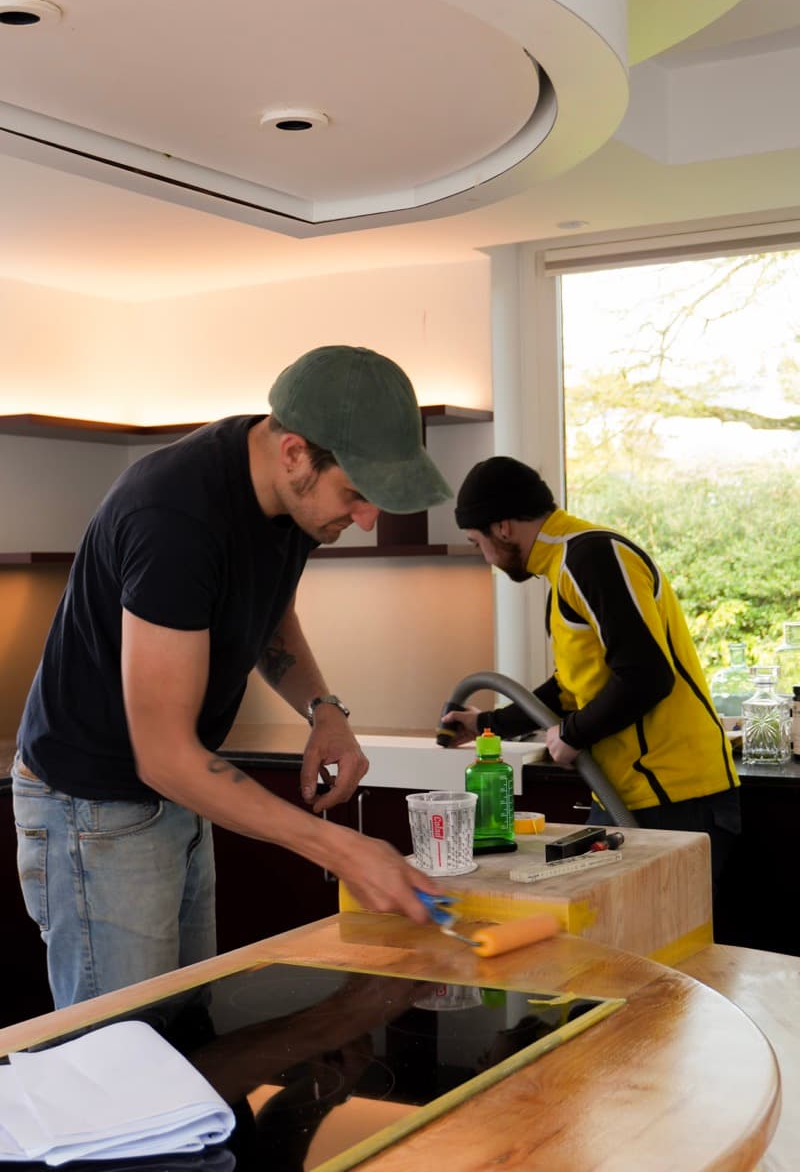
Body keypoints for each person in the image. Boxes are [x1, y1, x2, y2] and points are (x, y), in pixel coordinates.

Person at [13, 345, 447, 1009]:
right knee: (126, 1055)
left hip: (174, 791)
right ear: (296, 453)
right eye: (357, 494)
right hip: (92, 807)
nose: (367, 519)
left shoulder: (289, 498)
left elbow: (271, 613)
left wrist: (322, 709)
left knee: (186, 1026)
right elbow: (163, 757)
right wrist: (343, 850)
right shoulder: (174, 520)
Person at [441, 455, 741, 888]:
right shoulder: (565, 569)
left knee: (657, 946)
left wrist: (573, 734)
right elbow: (571, 689)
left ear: (502, 527)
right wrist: (487, 724)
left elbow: (647, 675)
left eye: (476, 542)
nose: (485, 557)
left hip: (676, 796)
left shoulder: (592, 556)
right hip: (631, 795)